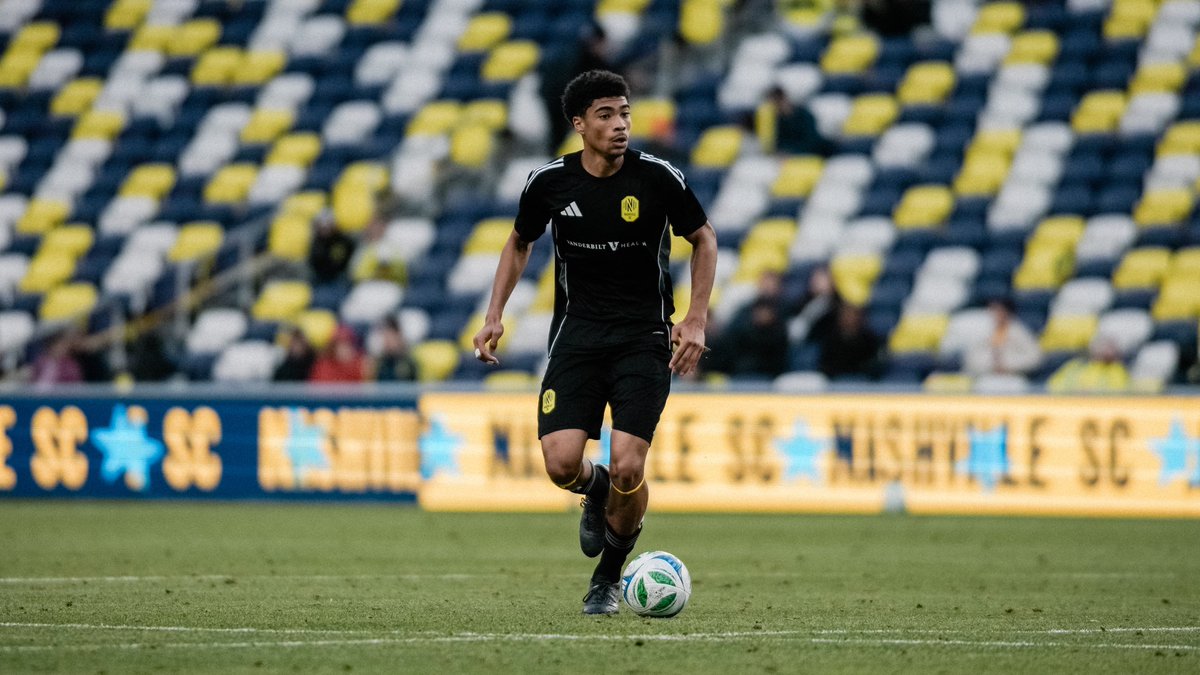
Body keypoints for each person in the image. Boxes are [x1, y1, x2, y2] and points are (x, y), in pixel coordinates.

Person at [472, 70, 718, 615]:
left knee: (631, 466)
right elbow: (519, 242)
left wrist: (696, 318)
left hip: (643, 337)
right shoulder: (549, 183)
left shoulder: (658, 178)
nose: (620, 125)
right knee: (561, 464)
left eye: (625, 113)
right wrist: (494, 314)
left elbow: (703, 238)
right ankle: (597, 489)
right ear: (579, 125)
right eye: (606, 115)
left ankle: (607, 579)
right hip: (577, 336)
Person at [710, 271, 789, 378]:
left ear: (779, 287)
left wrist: (767, 327)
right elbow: (732, 335)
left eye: (771, 284)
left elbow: (784, 341)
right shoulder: (746, 310)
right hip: (740, 369)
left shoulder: (786, 310)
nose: (767, 287)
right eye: (765, 283)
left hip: (772, 372)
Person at [962, 298, 1041, 377]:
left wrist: (1008, 365)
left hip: (1014, 377)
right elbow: (971, 359)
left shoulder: (1019, 332)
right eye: (993, 310)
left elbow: (1035, 358)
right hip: (987, 377)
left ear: (1008, 312)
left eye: (999, 311)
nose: (996, 314)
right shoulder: (985, 333)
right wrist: (991, 365)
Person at [758, 86, 830, 157]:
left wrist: (792, 152)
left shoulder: (804, 115)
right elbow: (779, 143)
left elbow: (812, 141)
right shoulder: (777, 121)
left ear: (783, 98)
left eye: (776, 102)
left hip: (816, 154)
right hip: (794, 158)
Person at [817, 303, 883, 379]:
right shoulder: (830, 340)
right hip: (835, 384)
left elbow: (874, 368)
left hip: (864, 385)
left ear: (861, 318)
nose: (850, 319)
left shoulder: (871, 340)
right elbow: (824, 366)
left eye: (854, 315)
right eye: (847, 316)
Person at [1047, 336, 1131, 394]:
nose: (1106, 351)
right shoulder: (1075, 366)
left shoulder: (1116, 370)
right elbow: (1054, 386)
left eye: (1109, 348)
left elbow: (1120, 392)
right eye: (1101, 346)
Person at [308, 209, 356, 284]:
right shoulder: (316, 242)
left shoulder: (343, 242)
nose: (325, 228)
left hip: (339, 278)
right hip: (318, 278)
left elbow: (341, 264)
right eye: (322, 225)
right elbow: (313, 262)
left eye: (328, 224)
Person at [370, 316, 417, 382]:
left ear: (398, 337)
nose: (387, 341)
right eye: (385, 337)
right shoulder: (379, 364)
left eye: (391, 337)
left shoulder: (409, 363)